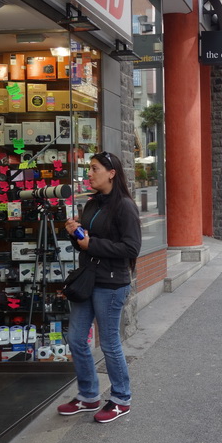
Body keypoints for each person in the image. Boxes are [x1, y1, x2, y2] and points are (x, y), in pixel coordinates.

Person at [58, 151, 142, 423]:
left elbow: (131, 248)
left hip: (111, 284)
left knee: (108, 343)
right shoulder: (93, 204)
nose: (89, 174)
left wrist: (90, 244)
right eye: (88, 169)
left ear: (111, 173)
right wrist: (76, 234)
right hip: (88, 280)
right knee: (76, 338)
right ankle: (88, 395)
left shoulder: (125, 206)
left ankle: (121, 398)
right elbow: (87, 242)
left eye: (94, 169)